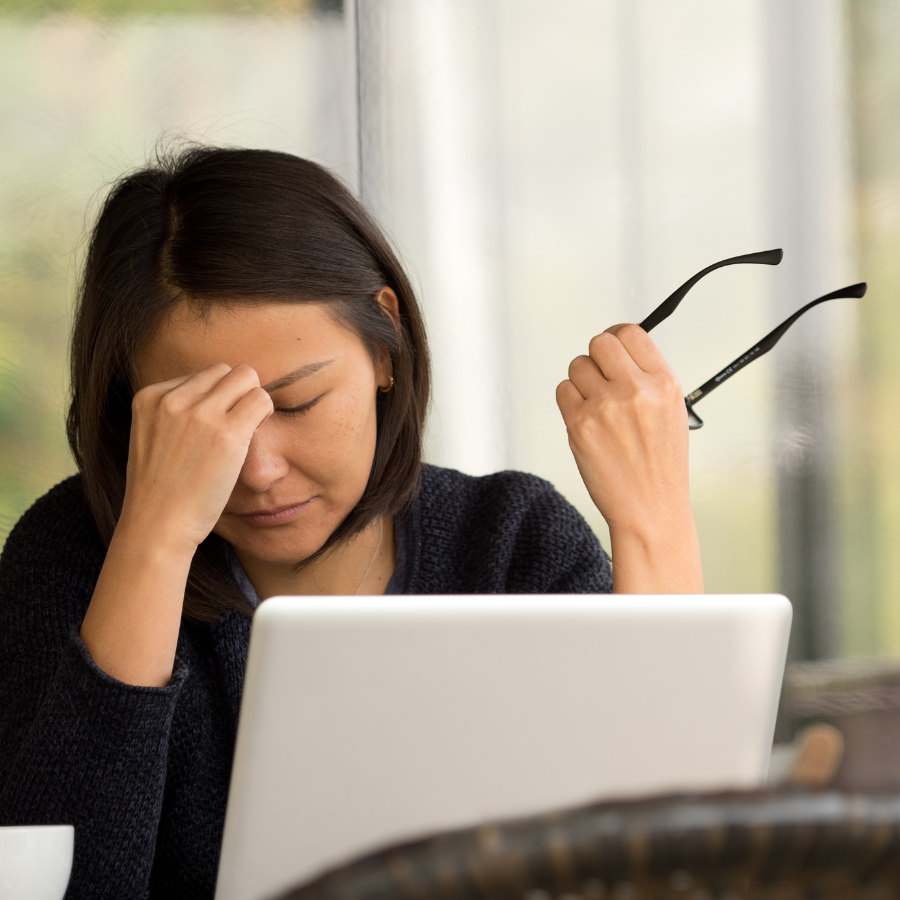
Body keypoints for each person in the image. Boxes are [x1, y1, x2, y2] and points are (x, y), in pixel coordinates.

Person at [0, 146, 702, 899]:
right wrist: (154, 543)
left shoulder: (512, 545)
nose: (260, 470)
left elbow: (676, 863)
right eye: (204, 426)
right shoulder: (74, 556)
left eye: (297, 403)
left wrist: (651, 520)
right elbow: (59, 884)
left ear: (382, 345)